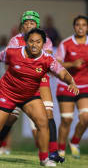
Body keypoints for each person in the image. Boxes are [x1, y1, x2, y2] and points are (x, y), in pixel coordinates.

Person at [0, 28, 79, 167]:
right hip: (6, 93)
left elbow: (62, 73)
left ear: (43, 44)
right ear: (26, 42)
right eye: (31, 41)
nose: (34, 45)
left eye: (38, 42)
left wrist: (71, 82)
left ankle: (44, 159)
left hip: (29, 96)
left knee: (43, 123)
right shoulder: (14, 52)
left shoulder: (47, 59)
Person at [0, 10, 64, 163]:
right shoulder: (15, 40)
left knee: (49, 114)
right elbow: (11, 61)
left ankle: (53, 152)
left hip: (40, 81)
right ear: (22, 26)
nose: (29, 25)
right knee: (9, 119)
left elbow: (44, 60)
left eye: (32, 23)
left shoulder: (46, 40)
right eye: (26, 23)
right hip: (17, 83)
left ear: (38, 25)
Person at [56, 15, 88, 159]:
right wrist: (72, 64)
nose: (81, 27)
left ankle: (74, 142)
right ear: (74, 27)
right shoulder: (66, 44)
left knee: (86, 118)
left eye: (84, 25)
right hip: (67, 85)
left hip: (85, 86)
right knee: (66, 119)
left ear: (87, 27)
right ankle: (60, 150)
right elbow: (56, 64)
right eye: (78, 25)